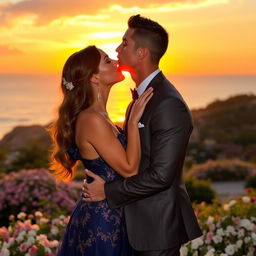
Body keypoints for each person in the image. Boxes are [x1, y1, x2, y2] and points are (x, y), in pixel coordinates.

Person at [82, 15, 203, 256]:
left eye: (124, 43)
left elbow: (161, 177)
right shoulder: (139, 100)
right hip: (133, 225)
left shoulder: (167, 103)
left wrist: (107, 191)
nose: (117, 49)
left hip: (155, 230)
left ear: (142, 53)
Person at [49, 45, 153, 255]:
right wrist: (132, 124)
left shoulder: (101, 117)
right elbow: (130, 170)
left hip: (114, 212)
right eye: (107, 61)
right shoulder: (92, 119)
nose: (115, 61)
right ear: (94, 78)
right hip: (102, 222)